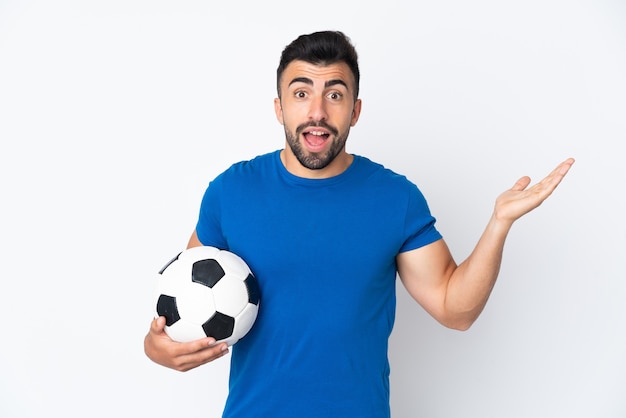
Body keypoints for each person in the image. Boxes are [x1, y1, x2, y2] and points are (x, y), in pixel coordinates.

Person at [144, 30, 574, 417]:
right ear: (278, 108)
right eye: (300, 93)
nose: (317, 111)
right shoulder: (230, 193)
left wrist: (499, 224)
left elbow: (454, 309)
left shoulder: (395, 198)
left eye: (334, 94)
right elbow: (183, 306)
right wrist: (156, 348)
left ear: (355, 109)